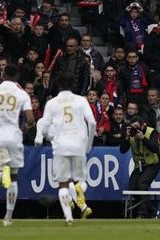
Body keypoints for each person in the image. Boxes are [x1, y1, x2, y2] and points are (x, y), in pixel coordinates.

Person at [35, 72, 96, 225]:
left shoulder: (52, 103)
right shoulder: (81, 100)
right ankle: (79, 191)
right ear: (73, 85)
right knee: (81, 180)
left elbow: (43, 125)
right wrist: (88, 144)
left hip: (61, 145)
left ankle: (69, 218)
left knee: (63, 183)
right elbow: (93, 123)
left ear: (58, 85)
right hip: (79, 144)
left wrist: (42, 137)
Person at [0, 64, 34, 227]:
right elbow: (31, 119)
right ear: (17, 77)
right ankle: (8, 217)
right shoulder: (22, 93)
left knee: (0, 176)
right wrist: (23, 128)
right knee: (14, 178)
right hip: (14, 137)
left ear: (2, 75)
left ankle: (1, 174)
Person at [120, 115, 160, 219]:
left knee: (142, 184)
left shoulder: (152, 132)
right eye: (133, 127)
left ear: (143, 125)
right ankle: (153, 211)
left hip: (152, 165)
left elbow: (155, 148)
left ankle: (142, 214)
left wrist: (143, 138)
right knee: (132, 188)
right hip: (139, 166)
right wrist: (126, 137)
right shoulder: (131, 135)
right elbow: (122, 150)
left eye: (137, 127)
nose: (136, 130)